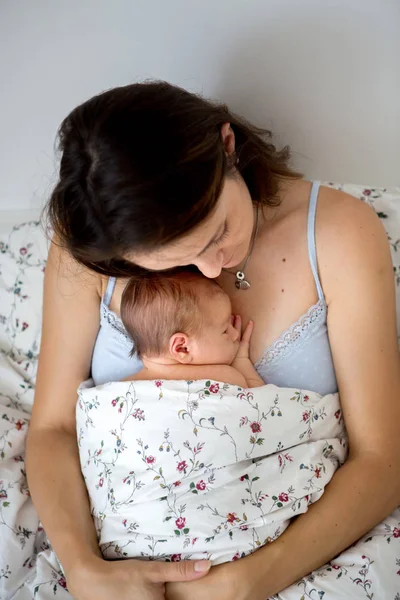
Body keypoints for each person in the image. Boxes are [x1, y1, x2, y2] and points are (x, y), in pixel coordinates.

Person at [26, 81, 400, 600]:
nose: (210, 268)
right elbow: (52, 429)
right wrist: (84, 568)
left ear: (227, 146)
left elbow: (383, 459)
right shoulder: (93, 247)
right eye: (174, 262)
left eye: (217, 232)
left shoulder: (338, 233)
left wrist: (246, 582)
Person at [119, 270, 264, 388]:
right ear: (182, 348)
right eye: (225, 330)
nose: (235, 334)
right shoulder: (225, 379)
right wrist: (241, 360)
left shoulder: (120, 388)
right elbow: (263, 405)